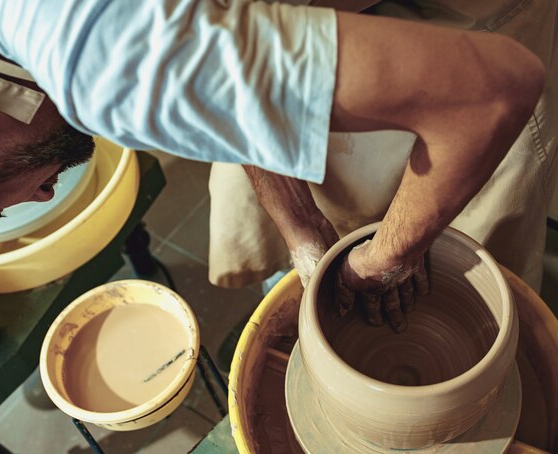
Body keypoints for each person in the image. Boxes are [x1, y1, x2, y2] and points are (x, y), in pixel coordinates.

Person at [0, 0, 544, 333]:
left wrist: (390, 256)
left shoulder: (104, 61)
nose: (34, 202)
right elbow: (207, 52)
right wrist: (301, 227)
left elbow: (491, 92)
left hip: (468, 37)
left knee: (467, 242)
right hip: (266, 24)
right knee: (259, 197)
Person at [208, 0, 558, 330]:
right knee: (288, 252)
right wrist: (299, 225)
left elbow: (486, 105)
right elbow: (226, 60)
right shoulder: (187, 32)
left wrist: (391, 255)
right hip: (280, 38)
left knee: (473, 266)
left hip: (474, 33)